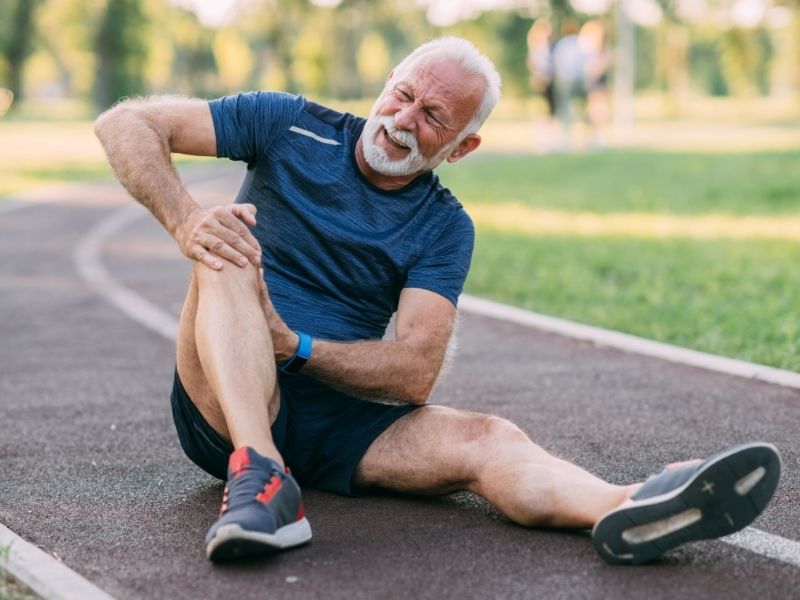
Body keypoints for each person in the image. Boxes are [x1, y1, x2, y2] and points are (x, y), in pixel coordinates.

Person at [94, 37, 782, 565]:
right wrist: (186, 220)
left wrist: (292, 346)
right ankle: (260, 473)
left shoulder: (444, 226)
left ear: (461, 146)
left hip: (339, 419)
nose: (402, 120)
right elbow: (124, 125)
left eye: (432, 117)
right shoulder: (288, 123)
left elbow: (414, 373)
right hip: (223, 402)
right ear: (386, 83)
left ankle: (631, 503)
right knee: (225, 246)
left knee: (488, 438)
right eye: (402, 95)